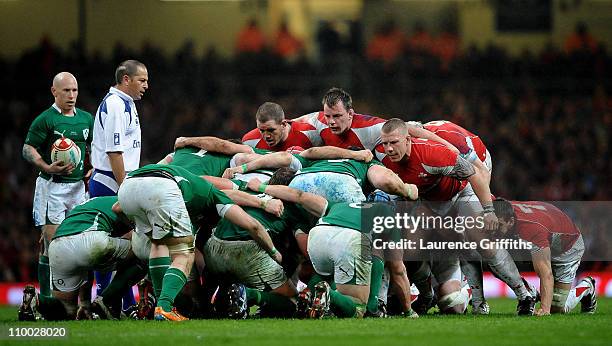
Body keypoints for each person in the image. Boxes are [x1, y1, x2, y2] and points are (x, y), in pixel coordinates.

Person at [378, 118, 537, 315]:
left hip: (463, 189)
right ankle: (427, 296)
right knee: (412, 246)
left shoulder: (436, 152)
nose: (389, 149)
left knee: (478, 237)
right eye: (386, 144)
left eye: (394, 143)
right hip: (431, 197)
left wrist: (488, 211)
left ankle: (525, 294)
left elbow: (476, 174)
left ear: (409, 139)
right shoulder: (384, 159)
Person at [115, 164, 279, 321]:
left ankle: (161, 305)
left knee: (158, 244)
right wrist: (274, 252)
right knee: (184, 253)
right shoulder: (216, 196)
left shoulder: (193, 188)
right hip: (162, 186)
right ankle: (164, 307)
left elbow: (117, 208)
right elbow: (253, 226)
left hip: (127, 186)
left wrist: (136, 226)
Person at [21, 72, 93, 320]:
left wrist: (91, 166)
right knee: (53, 247)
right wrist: (46, 166)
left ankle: (86, 305)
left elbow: (93, 148)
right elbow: (27, 148)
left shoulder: (86, 119)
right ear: (54, 91)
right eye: (66, 91)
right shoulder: (46, 120)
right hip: (52, 188)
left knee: (83, 247)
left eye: (74, 90)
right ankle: (48, 305)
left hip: (78, 190)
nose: (71, 95)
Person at [89, 59, 148, 307]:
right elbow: (114, 152)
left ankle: (123, 302)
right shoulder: (115, 105)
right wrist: (126, 187)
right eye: (142, 80)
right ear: (126, 79)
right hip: (111, 183)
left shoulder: (126, 103)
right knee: (110, 246)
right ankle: (107, 299)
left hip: (115, 180)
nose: (146, 85)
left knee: (122, 245)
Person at [494, 199, 597, 316]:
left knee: (557, 308)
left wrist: (544, 309)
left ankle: (587, 287)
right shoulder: (501, 209)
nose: (494, 228)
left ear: (511, 221)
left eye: (499, 225)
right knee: (494, 250)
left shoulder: (531, 230)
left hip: (567, 248)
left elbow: (546, 273)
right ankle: (529, 290)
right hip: (547, 233)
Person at [294, 87, 457, 152]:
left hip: (424, 129)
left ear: (350, 114)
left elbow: (406, 128)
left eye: (337, 116)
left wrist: (448, 146)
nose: (331, 121)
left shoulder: (370, 128)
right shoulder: (319, 119)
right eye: (328, 116)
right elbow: (293, 122)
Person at [242, 102, 320, 151]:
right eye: (261, 130)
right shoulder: (249, 141)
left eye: (271, 130)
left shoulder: (310, 134)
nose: (267, 136)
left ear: (283, 124)